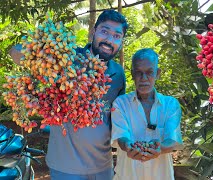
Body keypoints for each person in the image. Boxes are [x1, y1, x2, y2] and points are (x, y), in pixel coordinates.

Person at [9, 9, 128, 180]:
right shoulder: (69, 57)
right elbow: (15, 53)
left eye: (117, 36)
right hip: (65, 167)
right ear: (94, 31)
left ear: (121, 41)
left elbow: (118, 115)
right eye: (104, 31)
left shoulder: (118, 73)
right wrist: (37, 51)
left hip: (103, 166)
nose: (109, 40)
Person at [111, 48, 183, 180]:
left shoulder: (170, 105)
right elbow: (121, 137)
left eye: (149, 72)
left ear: (158, 73)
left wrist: (160, 148)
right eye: (139, 73)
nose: (144, 79)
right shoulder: (120, 104)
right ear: (132, 74)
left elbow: (172, 140)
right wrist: (128, 147)